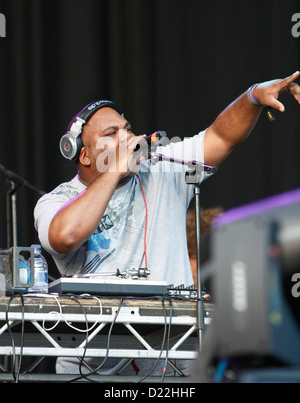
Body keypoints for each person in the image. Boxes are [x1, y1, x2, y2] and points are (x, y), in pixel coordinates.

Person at [34, 72, 300, 378]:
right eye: (111, 133)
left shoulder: (161, 167)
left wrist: (251, 97)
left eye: (128, 129)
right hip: (92, 370)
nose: (126, 138)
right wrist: (117, 168)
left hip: (173, 365)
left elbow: (220, 137)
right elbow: (65, 236)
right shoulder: (57, 201)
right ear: (84, 155)